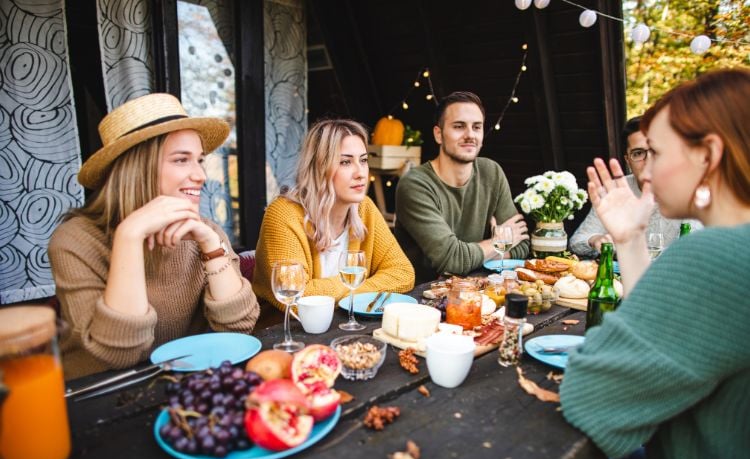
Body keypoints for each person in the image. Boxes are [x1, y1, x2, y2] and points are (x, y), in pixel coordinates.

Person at [560, 68, 750, 459]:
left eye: (657, 153)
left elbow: (590, 398)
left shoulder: (714, 256)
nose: (645, 173)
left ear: (709, 155)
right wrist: (629, 242)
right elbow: (666, 354)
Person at [49, 93, 260, 379]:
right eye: (181, 160)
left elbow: (239, 327)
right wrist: (130, 236)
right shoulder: (75, 241)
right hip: (97, 396)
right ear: (137, 169)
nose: (200, 175)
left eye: (199, 160)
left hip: (185, 385)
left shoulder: (204, 231)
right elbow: (120, 353)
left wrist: (211, 244)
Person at [253, 119, 415, 312]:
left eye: (363, 160)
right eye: (345, 162)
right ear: (319, 167)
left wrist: (354, 289)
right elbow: (297, 296)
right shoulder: (283, 214)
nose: (361, 173)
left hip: (344, 326)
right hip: (284, 331)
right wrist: (354, 285)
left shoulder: (364, 208)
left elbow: (403, 273)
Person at [394, 91, 529, 283]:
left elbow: (522, 245)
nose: (470, 135)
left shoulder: (491, 172)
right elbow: (452, 260)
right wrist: (497, 243)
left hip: (478, 289)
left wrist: (474, 255)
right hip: (422, 299)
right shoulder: (415, 184)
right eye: (459, 126)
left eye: (477, 127)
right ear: (438, 134)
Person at [569, 116, 700, 257]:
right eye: (638, 153)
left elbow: (695, 248)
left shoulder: (691, 191)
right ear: (628, 161)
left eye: (655, 151)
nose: (648, 161)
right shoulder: (614, 189)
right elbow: (577, 241)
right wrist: (596, 240)